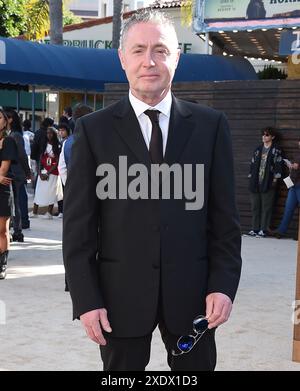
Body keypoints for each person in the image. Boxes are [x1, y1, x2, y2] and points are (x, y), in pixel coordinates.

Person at [63, 10, 242, 371]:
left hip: (194, 299)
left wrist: (222, 285)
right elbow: (78, 229)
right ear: (122, 58)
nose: (150, 61)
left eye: (161, 50)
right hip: (118, 298)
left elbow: (225, 222)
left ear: (176, 57)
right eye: (139, 50)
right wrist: (86, 299)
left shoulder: (210, 127)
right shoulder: (92, 131)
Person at [248, 127, 282, 237]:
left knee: (266, 207)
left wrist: (275, 180)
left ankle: (263, 230)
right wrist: (250, 178)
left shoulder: (276, 150)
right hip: (256, 181)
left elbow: (278, 166)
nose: (264, 136)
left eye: (267, 135)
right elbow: (252, 165)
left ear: (272, 137)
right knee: (255, 206)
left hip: (268, 182)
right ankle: (255, 228)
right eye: (263, 134)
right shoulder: (258, 149)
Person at [5, 109, 31, 242]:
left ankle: (18, 231)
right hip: (11, 172)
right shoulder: (11, 134)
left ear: (10, 120)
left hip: (16, 173)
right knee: (13, 202)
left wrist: (27, 172)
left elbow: (22, 155)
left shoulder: (15, 135)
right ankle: (15, 229)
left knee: (17, 202)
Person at [30, 127, 63, 219]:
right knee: (39, 191)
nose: (49, 135)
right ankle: (35, 211)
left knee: (51, 192)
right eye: (48, 133)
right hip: (44, 170)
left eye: (51, 133)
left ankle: (49, 212)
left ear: (54, 135)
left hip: (53, 172)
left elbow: (57, 162)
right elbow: (40, 158)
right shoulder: (44, 144)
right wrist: (40, 172)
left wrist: (48, 173)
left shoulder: (57, 145)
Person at [0, 108, 17, 279]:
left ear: (6, 121)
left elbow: (3, 170)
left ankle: (2, 264)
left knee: (2, 230)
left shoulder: (8, 141)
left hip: (3, 191)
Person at [58, 103, 93, 186]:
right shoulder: (98, 139)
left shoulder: (67, 143)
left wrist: (69, 186)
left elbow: (62, 168)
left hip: (74, 189)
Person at [274, 141, 300, 238]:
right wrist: (291, 167)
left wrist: (295, 166)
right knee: (288, 209)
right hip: (293, 185)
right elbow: (295, 169)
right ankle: (281, 231)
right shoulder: (297, 153)